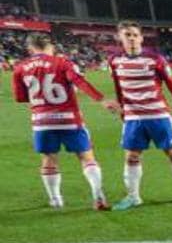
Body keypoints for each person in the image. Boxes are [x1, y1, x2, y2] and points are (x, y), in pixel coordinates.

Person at [11, 33, 120, 209]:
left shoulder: (20, 68)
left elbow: (19, 97)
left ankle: (56, 200)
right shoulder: (62, 63)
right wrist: (102, 100)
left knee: (49, 158)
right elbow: (79, 81)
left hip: (42, 121)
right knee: (86, 157)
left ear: (30, 48)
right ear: (50, 46)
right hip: (69, 119)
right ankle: (98, 196)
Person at [107, 21, 172, 209]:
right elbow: (118, 87)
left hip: (158, 115)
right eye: (127, 35)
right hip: (133, 118)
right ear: (120, 38)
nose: (131, 38)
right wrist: (122, 109)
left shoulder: (155, 59)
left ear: (141, 37)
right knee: (131, 156)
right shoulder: (114, 61)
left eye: (134, 35)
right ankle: (133, 197)